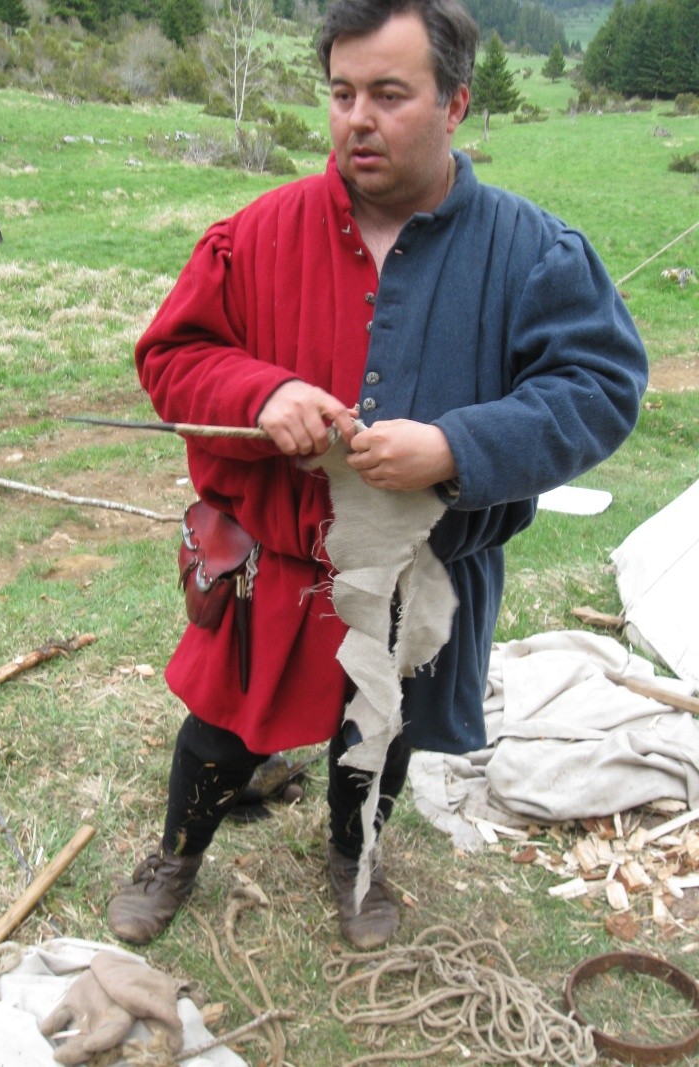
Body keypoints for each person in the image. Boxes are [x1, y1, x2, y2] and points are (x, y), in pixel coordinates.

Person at [108, 0, 648, 950]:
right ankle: (178, 854)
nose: (357, 117)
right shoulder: (259, 233)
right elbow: (173, 356)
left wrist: (456, 448)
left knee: (380, 729)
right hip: (280, 559)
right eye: (342, 92)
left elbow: (599, 387)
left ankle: (354, 859)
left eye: (389, 94)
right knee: (227, 726)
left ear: (455, 104)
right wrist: (260, 391)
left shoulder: (533, 253)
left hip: (421, 570)